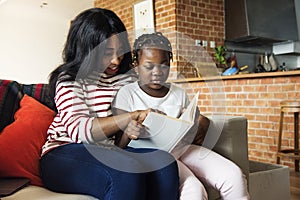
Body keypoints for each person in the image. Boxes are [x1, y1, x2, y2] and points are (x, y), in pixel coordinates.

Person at [39, 8, 179, 200]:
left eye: (119, 51)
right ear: (87, 49)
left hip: (110, 150)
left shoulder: (125, 78)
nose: (116, 60)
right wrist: (131, 116)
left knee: (164, 162)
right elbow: (79, 132)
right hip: (64, 152)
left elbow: (125, 132)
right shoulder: (70, 80)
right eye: (107, 53)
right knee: (125, 169)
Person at [112, 32, 250, 200]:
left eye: (163, 65)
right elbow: (118, 146)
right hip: (152, 155)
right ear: (136, 64)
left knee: (234, 176)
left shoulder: (178, 93)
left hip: (182, 149)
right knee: (194, 190)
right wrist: (128, 132)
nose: (157, 72)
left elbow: (188, 123)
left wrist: (199, 122)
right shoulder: (127, 93)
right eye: (149, 66)